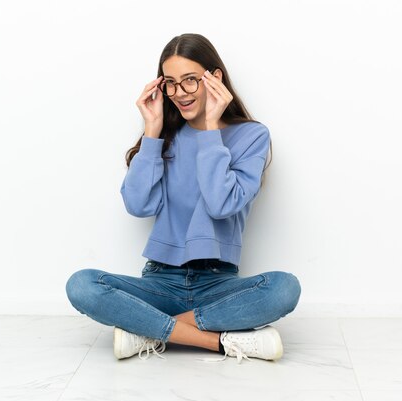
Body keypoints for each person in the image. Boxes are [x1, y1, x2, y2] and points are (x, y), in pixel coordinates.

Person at [65, 33, 301, 363]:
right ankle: (220, 342)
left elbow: (221, 204)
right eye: (172, 84)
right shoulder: (165, 137)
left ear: (214, 78)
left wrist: (209, 129)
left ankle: (148, 331)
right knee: (82, 285)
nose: (180, 93)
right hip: (160, 282)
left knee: (284, 289)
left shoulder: (252, 135)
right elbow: (138, 205)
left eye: (190, 81)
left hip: (217, 286)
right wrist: (151, 131)